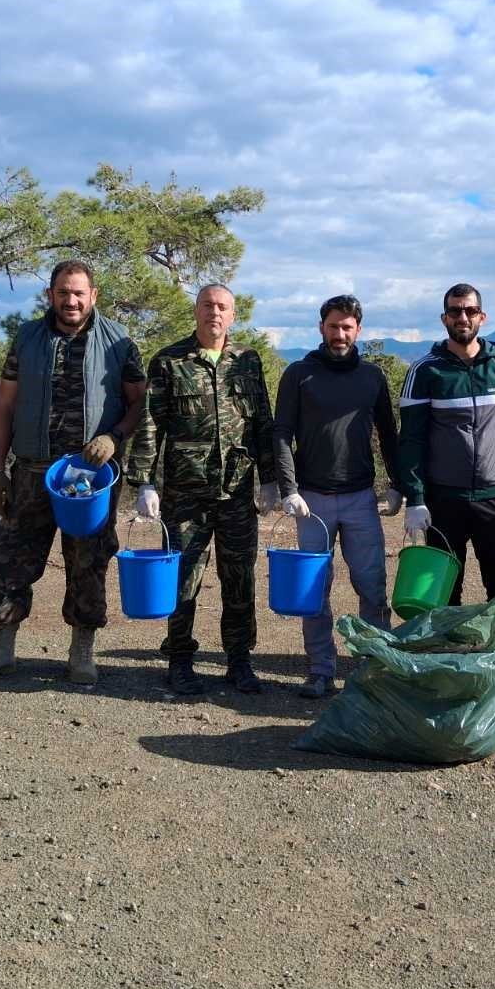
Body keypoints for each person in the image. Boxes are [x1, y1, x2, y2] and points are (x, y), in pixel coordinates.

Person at [0, 261, 145, 684]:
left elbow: (139, 402)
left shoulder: (118, 340)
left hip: (91, 476)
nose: (71, 300)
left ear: (93, 295)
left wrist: (115, 436)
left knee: (89, 560)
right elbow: (4, 406)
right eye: (63, 292)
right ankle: (0, 649)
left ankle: (81, 652)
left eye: (79, 292)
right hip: (31, 470)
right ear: (51, 295)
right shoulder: (27, 338)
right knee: (10, 558)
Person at [125, 283, 279, 696]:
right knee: (183, 580)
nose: (215, 312)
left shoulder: (247, 361)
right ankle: (179, 659)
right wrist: (143, 482)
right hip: (184, 493)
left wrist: (270, 480)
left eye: (223, 307)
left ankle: (239, 661)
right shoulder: (169, 361)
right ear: (196, 311)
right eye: (208, 305)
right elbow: (150, 424)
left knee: (240, 579)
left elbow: (262, 420)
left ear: (233, 315)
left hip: (237, 491)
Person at [397, 283, 495, 715]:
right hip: (443, 502)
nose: (463, 318)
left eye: (470, 311)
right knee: (446, 590)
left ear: (482, 316)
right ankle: (452, 669)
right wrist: (415, 498)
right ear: (444, 318)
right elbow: (412, 441)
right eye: (455, 311)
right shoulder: (426, 370)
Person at [274, 295, 402, 698]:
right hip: (311, 501)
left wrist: (398, 483)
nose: (340, 334)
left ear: (358, 330)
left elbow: (388, 433)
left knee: (372, 587)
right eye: (333, 326)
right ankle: (321, 670)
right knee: (313, 592)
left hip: (361, 498)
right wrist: (288, 488)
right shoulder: (299, 374)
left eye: (347, 327)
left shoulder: (372, 376)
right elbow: (281, 433)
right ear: (321, 328)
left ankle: (375, 667)